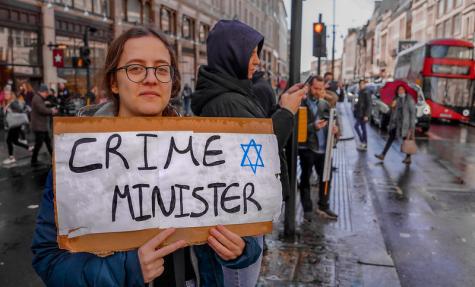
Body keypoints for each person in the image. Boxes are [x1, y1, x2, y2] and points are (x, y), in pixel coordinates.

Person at [32, 27, 261, 287]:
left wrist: (240, 250)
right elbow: (49, 259)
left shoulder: (202, 148)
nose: (151, 79)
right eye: (136, 68)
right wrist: (126, 270)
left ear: (171, 82)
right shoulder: (79, 158)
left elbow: (249, 234)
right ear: (114, 83)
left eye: (162, 69)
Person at [191, 20, 307, 287]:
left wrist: (279, 107)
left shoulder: (233, 93)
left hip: (240, 220)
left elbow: (254, 134)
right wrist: (287, 112)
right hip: (236, 229)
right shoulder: (227, 100)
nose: (257, 61)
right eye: (251, 53)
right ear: (232, 53)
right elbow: (257, 151)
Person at [299, 76, 339, 221]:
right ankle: (307, 209)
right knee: (305, 178)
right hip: (307, 148)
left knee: (326, 177)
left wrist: (335, 130)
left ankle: (324, 205)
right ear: (309, 87)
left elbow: (334, 122)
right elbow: (298, 128)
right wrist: (313, 127)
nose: (318, 91)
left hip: (324, 149)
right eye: (316, 88)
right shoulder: (301, 104)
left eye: (321, 89)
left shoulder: (325, 105)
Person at [375, 85, 416, 165]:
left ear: (405, 90)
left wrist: (411, 127)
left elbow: (413, 113)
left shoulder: (409, 99)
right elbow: (392, 112)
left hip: (405, 124)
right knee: (390, 138)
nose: (400, 91)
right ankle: (383, 155)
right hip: (395, 124)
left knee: (406, 140)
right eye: (399, 89)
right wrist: (392, 107)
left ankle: (408, 157)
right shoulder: (395, 99)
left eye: (402, 89)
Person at [30, 84, 58, 166]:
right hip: (39, 126)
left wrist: (47, 105)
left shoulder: (39, 98)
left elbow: (42, 107)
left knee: (48, 142)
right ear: (42, 92)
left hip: (42, 126)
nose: (47, 94)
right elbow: (42, 110)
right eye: (46, 93)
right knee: (39, 144)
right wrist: (52, 111)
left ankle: (54, 157)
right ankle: (33, 160)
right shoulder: (37, 99)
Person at [2, 90, 32, 165]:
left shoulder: (13, 102)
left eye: (7, 94)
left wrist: (11, 112)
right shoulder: (8, 103)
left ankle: (11, 158)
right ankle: (29, 147)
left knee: (9, 140)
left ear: (11, 95)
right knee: (15, 141)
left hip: (15, 124)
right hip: (14, 124)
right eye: (5, 93)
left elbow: (20, 110)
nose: (5, 95)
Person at [354, 79, 372, 151]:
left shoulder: (366, 92)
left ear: (365, 84)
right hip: (360, 113)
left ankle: (363, 142)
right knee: (362, 128)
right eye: (360, 84)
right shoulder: (361, 92)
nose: (361, 85)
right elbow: (361, 103)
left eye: (362, 84)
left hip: (364, 114)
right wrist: (356, 106)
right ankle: (364, 143)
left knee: (358, 127)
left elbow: (369, 104)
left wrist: (366, 115)